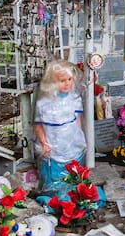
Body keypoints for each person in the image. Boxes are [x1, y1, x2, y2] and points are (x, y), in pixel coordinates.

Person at [33, 59, 87, 198]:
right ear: (52, 82)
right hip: (53, 142)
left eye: (69, 79)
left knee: (73, 171)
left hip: (71, 141)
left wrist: (80, 137)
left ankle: (73, 194)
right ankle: (54, 197)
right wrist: (44, 143)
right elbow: (38, 124)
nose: (67, 83)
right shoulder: (44, 102)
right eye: (62, 80)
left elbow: (78, 119)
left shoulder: (74, 97)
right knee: (54, 174)